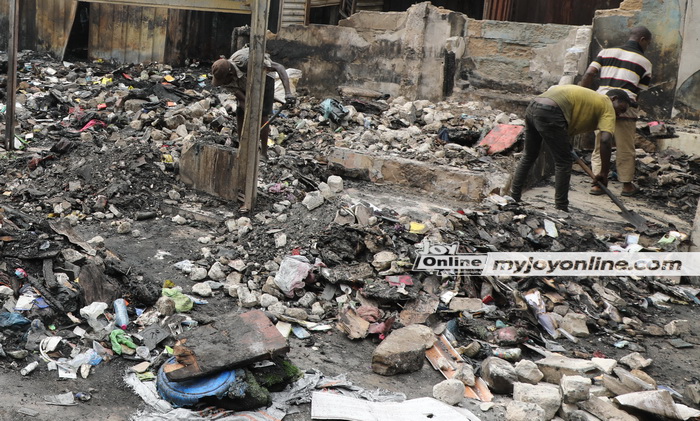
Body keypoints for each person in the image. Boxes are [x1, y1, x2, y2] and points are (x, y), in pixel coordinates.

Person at [509, 85, 632, 212]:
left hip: (534, 105)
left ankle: (514, 197)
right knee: (563, 162)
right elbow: (605, 141)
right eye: (621, 109)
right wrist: (604, 173)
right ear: (614, 98)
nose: (618, 115)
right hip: (551, 110)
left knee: (529, 155)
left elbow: (566, 121)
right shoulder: (607, 105)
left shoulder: (593, 100)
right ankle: (561, 207)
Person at [580, 26, 652, 197]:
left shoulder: (606, 52)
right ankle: (627, 185)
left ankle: (598, 185)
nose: (647, 46)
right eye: (648, 43)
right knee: (625, 146)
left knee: (599, 146)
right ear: (642, 40)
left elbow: (589, 73)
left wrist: (583, 95)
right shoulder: (645, 62)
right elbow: (638, 92)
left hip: (602, 102)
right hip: (625, 107)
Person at [211, 46, 296, 158]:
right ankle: (242, 147)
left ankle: (264, 152)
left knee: (262, 115)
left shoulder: (248, 61)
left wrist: (288, 93)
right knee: (241, 112)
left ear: (230, 74)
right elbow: (243, 100)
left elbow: (279, 67)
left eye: (224, 80)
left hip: (264, 77)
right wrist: (248, 109)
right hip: (243, 82)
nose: (223, 83)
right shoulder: (226, 79)